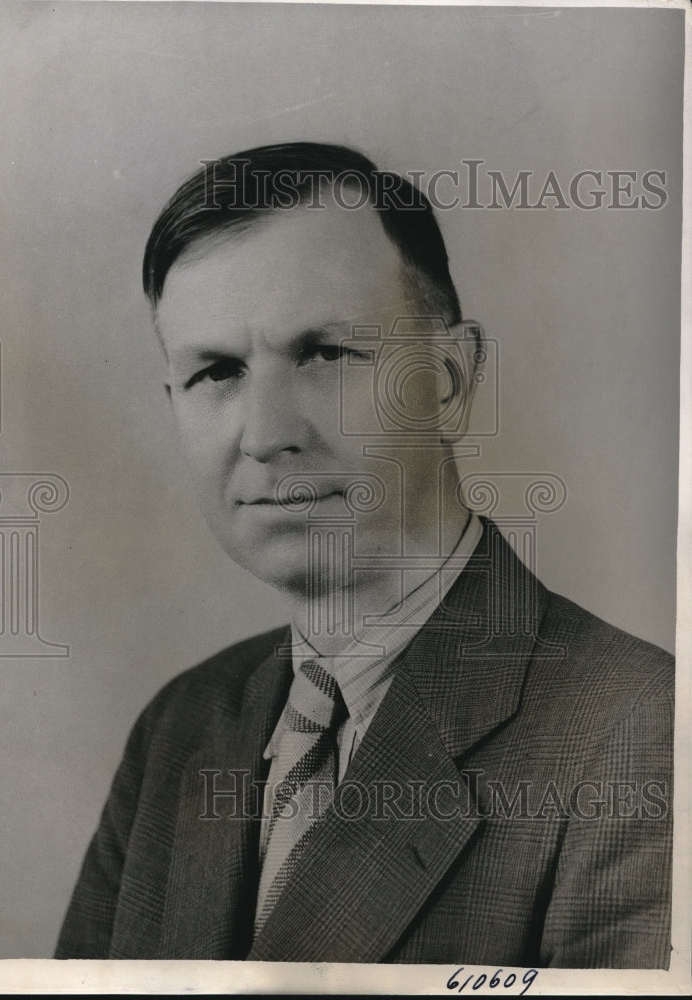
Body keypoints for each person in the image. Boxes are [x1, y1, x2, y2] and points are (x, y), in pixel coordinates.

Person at [55, 142, 673, 967]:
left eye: (323, 354)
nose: (268, 435)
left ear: (449, 381)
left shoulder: (640, 731)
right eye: (216, 373)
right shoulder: (181, 727)